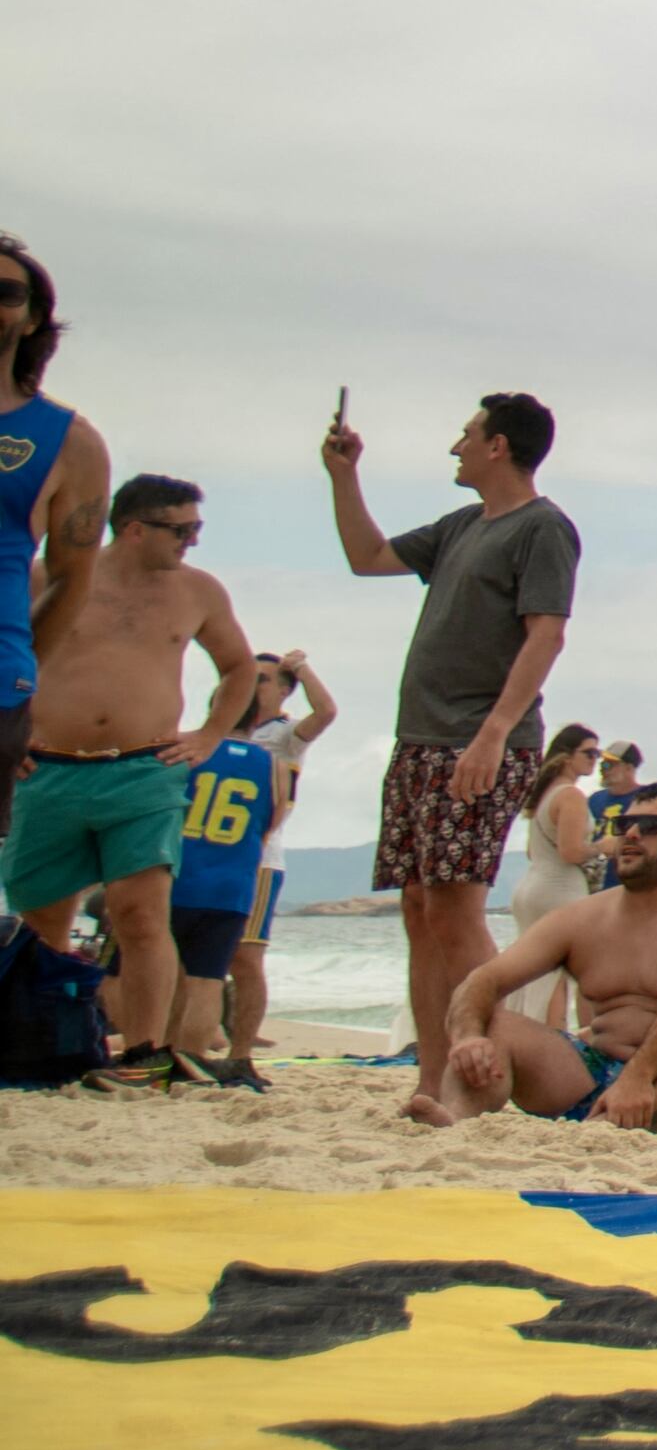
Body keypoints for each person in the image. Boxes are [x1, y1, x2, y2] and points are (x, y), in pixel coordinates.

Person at [324, 392, 579, 1069]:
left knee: (456, 908)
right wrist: (343, 475)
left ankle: (486, 1065)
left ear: (499, 446)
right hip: (420, 738)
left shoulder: (542, 528)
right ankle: (435, 1071)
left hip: (478, 739)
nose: (455, 446)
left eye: (466, 434)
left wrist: (494, 732)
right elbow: (368, 555)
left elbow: (547, 633)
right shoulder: (462, 524)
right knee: (419, 907)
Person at [8, 473, 261, 1088]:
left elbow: (239, 667)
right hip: (50, 768)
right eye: (182, 530)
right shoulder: (53, 577)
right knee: (42, 916)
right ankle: (43, 1043)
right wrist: (6, 735)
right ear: (134, 528)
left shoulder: (198, 591)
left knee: (141, 914)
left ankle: (145, 1052)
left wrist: (209, 735)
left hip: (144, 771)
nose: (192, 542)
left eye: (196, 529)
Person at [424, 780, 657, 1134]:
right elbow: (484, 979)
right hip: (600, 1075)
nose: (632, 834)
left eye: (651, 826)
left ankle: (602, 1132)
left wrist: (638, 1078)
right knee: (497, 1025)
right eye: (624, 825)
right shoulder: (586, 916)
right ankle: (455, 1121)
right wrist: (468, 1036)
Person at [0, 231, 113, 838]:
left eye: (5, 292)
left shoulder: (70, 441)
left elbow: (72, 580)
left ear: (34, 316)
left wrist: (20, 681)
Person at [180, 650, 336, 1076]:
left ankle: (241, 1053)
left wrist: (302, 667)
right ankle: (181, 1045)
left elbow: (326, 712)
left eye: (264, 679)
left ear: (285, 691)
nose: (254, 685)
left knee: (245, 959)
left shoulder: (285, 735)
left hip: (259, 859)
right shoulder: (215, 733)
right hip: (203, 852)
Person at [510, 728, 604, 939]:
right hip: (560, 890)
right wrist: (603, 847)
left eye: (597, 753)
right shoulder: (571, 796)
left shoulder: (543, 795)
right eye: (589, 753)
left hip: (530, 888)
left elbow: (530, 852)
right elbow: (570, 852)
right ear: (567, 757)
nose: (594, 759)